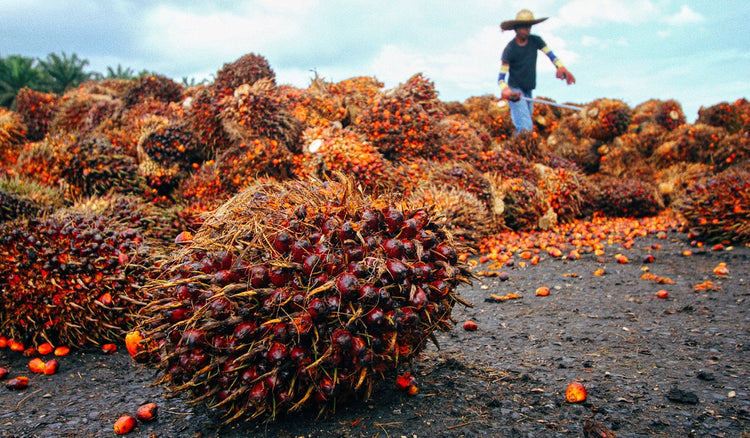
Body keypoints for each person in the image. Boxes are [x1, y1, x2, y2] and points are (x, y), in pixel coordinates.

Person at [498, 9, 576, 135]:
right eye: (524, 27)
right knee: (525, 127)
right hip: (516, 91)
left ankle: (515, 150)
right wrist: (505, 89)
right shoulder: (510, 49)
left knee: (527, 124)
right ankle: (516, 153)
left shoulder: (536, 41)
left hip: (528, 89)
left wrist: (560, 67)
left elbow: (551, 55)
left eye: (529, 26)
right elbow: (501, 78)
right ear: (516, 28)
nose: (528, 29)